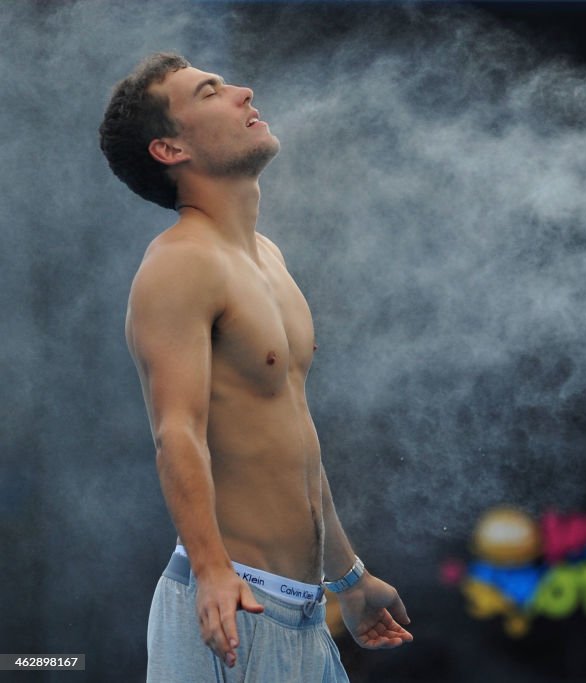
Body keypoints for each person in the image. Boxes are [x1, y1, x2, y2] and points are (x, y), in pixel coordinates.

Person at [99, 52, 412, 682]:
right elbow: (176, 432)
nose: (243, 91)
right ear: (169, 149)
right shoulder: (178, 265)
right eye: (210, 92)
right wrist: (213, 571)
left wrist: (348, 578)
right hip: (229, 608)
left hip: (301, 615)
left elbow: (289, 437)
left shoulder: (266, 256)